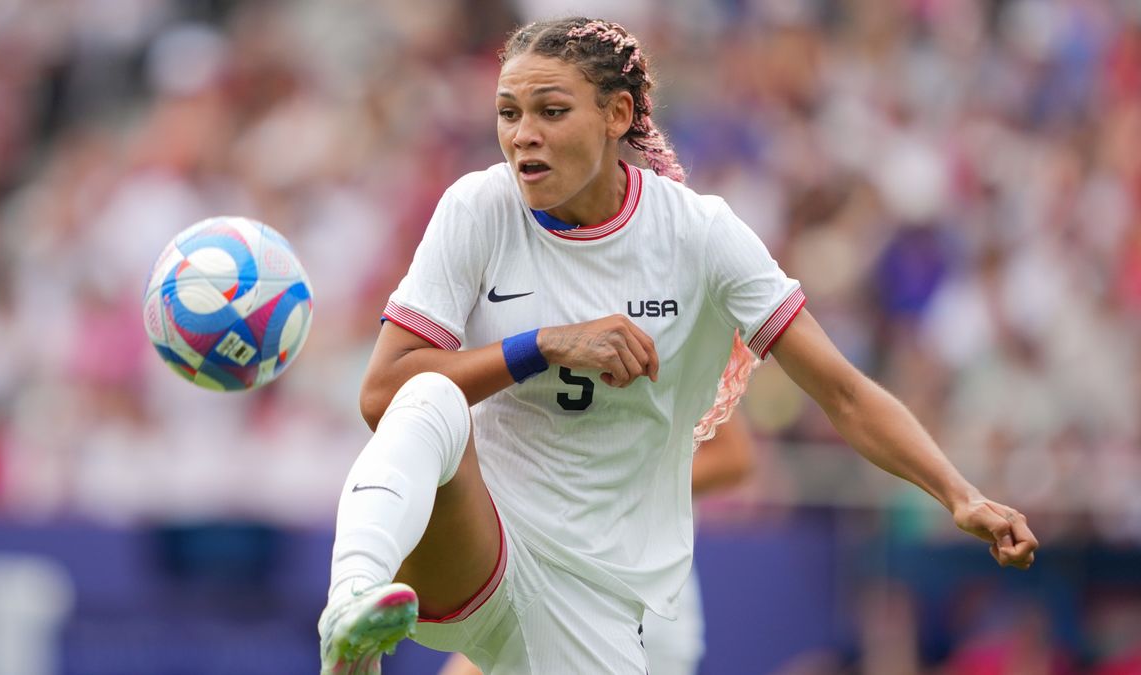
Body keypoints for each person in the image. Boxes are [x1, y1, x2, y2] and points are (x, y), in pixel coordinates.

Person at [317, 16, 1039, 675]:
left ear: (617, 115)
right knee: (430, 394)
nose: (522, 134)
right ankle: (351, 603)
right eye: (509, 113)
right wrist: (541, 345)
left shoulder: (698, 234)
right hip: (483, 547)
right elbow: (384, 392)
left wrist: (959, 493)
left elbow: (843, 393)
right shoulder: (478, 207)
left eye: (551, 111)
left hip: (599, 596)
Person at [438, 339, 759, 675]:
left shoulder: (660, 321)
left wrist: (602, 486)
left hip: (635, 598)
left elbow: (733, 457)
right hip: (542, 582)